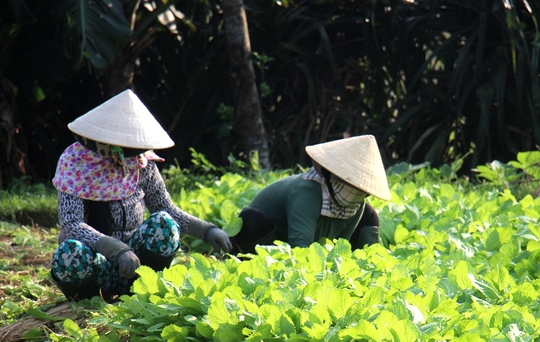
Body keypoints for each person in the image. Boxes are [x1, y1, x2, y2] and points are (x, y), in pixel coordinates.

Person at [50, 89, 232, 301]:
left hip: (134, 264)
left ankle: (140, 290)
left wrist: (206, 230)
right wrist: (116, 249)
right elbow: (72, 225)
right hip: (97, 262)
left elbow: (166, 208)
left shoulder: (142, 164)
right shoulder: (75, 164)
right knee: (69, 253)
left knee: (164, 223)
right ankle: (94, 301)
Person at [230, 134, 391, 253]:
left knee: (370, 216)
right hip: (268, 238)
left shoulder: (357, 204)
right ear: (331, 175)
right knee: (251, 221)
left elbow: (341, 247)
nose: (356, 192)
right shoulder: (307, 193)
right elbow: (300, 247)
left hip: (309, 244)